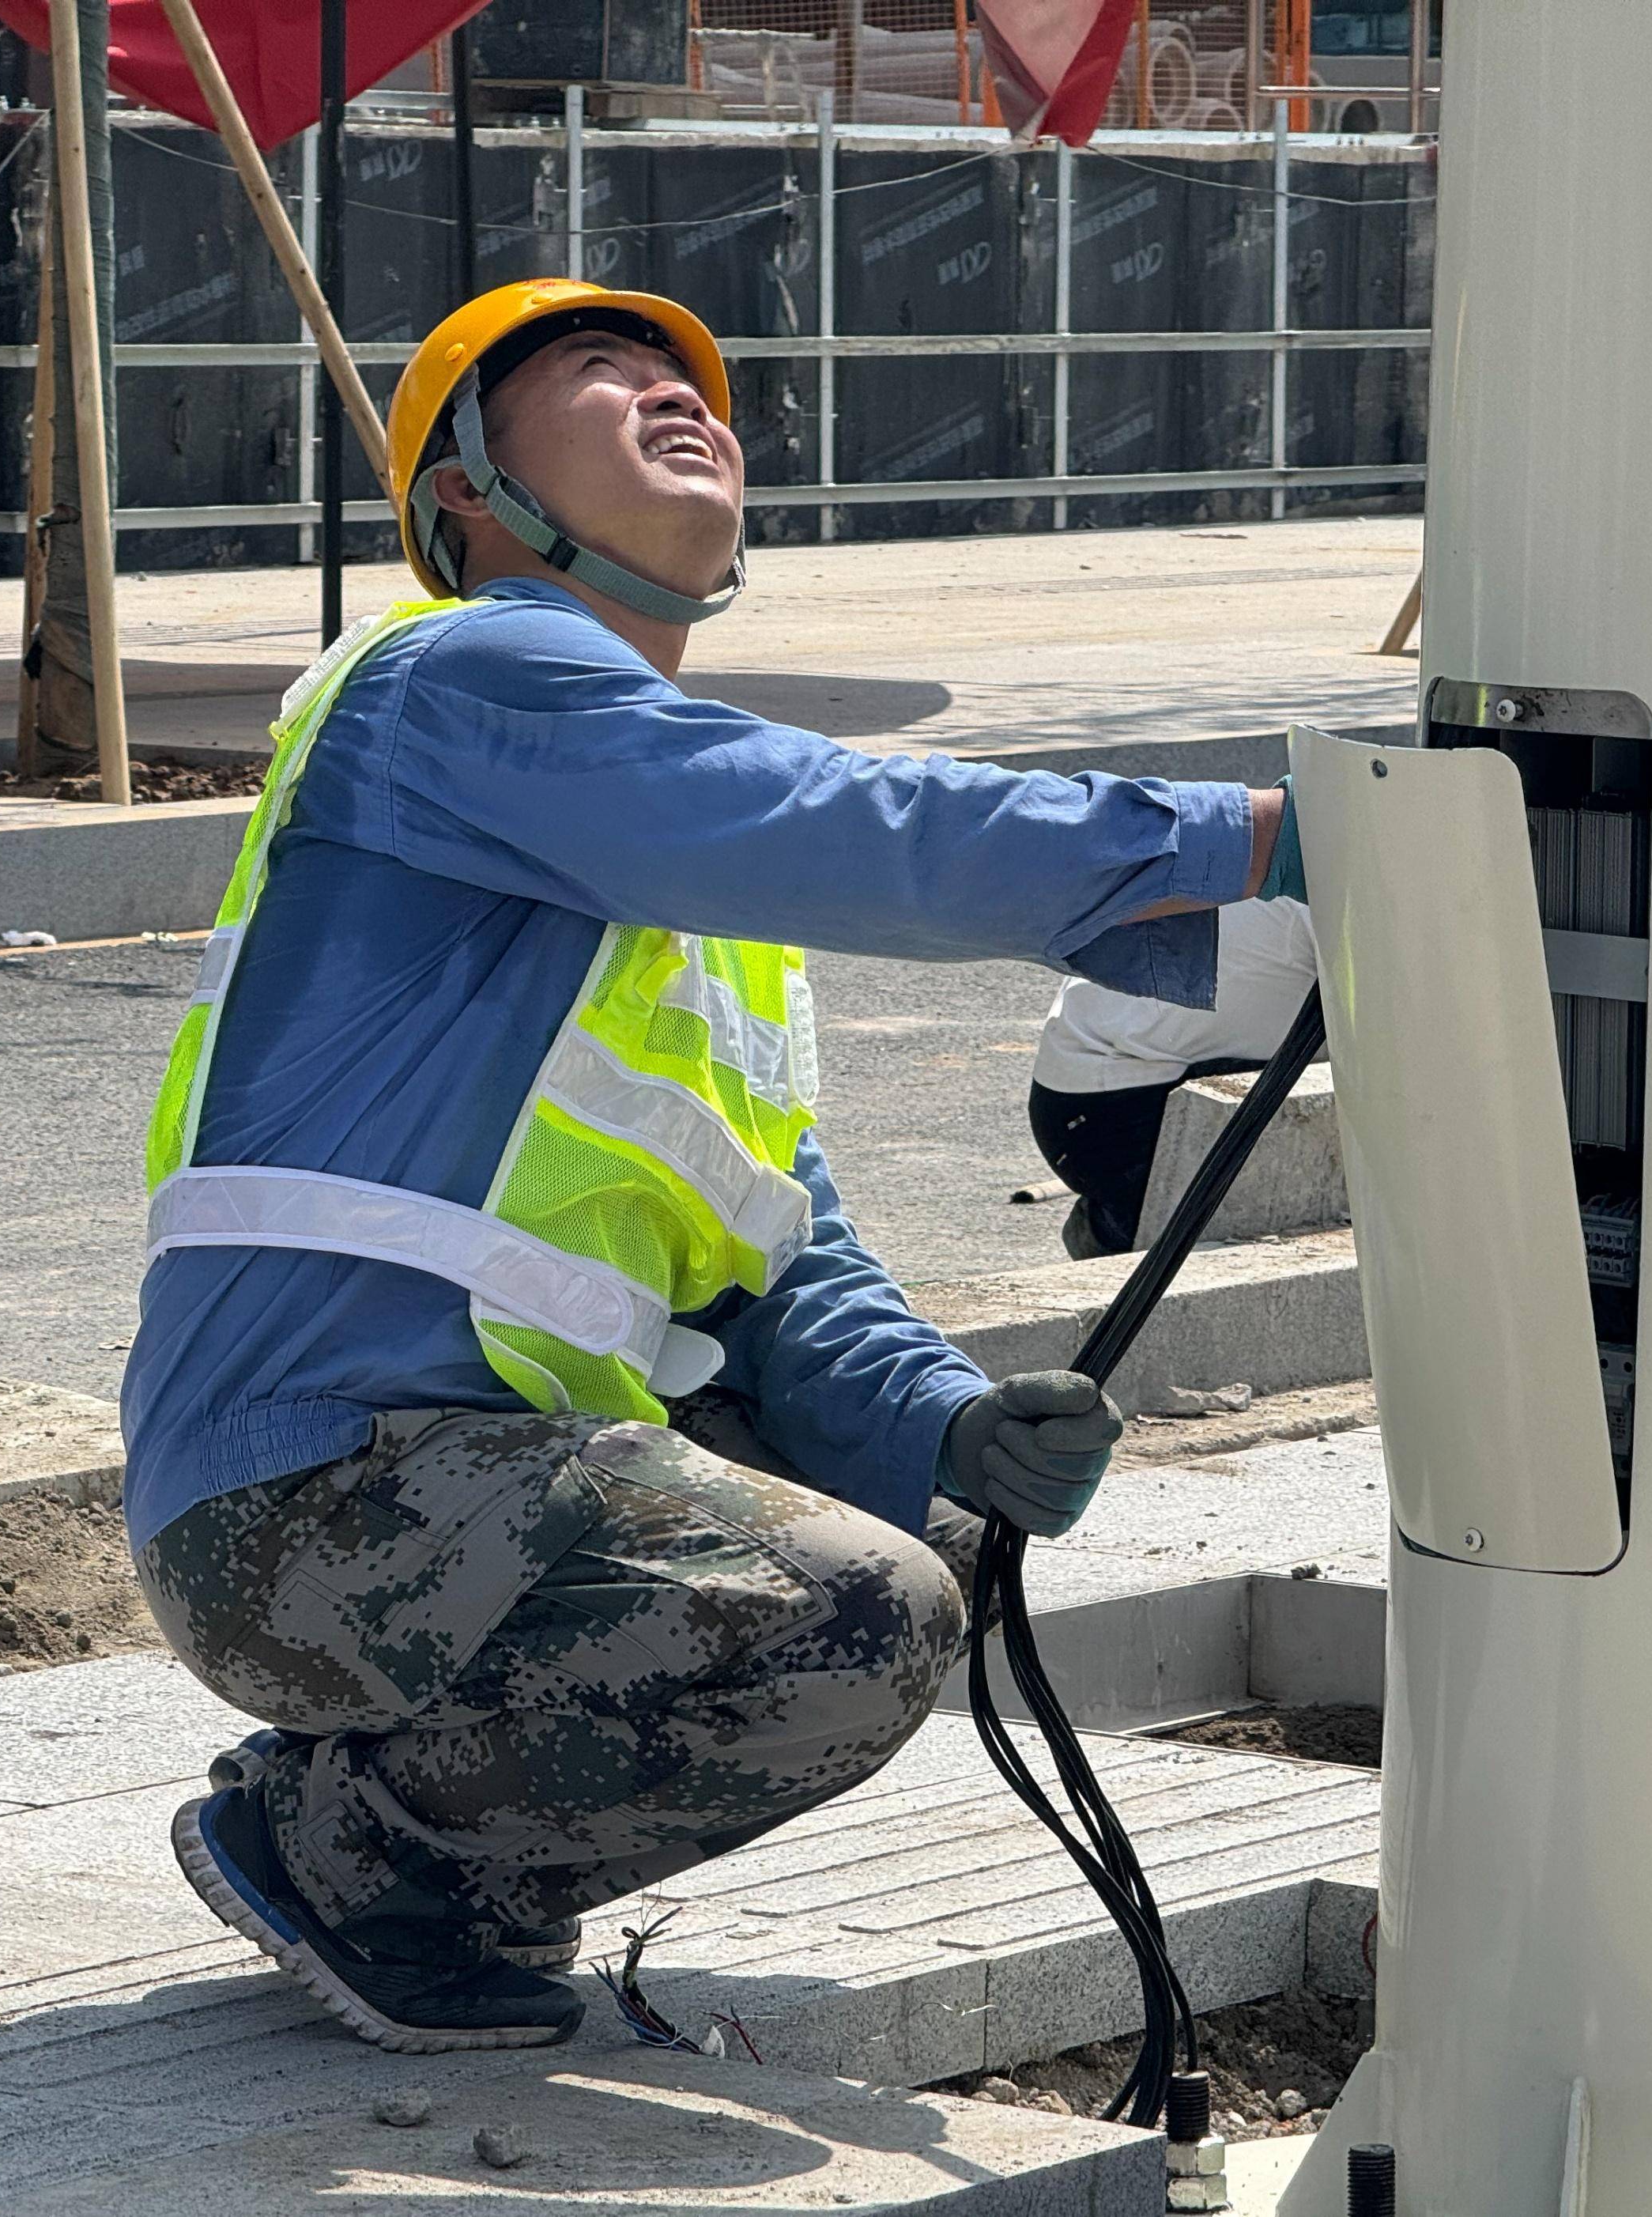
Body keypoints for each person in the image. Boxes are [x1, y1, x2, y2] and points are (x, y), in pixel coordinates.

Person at [127, 278, 1305, 2056]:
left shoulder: (696, 914)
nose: (674, 394)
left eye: (688, 377)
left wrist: (939, 1422)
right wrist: (1263, 838)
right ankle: (362, 1854)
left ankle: (377, 1825)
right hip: (319, 1493)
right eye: (598, 376)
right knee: (850, 1607)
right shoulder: (465, 675)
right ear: (468, 497)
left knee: (896, 1529)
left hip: (447, 1493)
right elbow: (856, 826)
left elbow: (780, 1253)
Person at [1030, 893, 1319, 1257]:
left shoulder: (1290, 848)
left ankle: (1122, 1222)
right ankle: (1124, 1237)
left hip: (1079, 1085)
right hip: (1120, 1107)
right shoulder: (1338, 897)